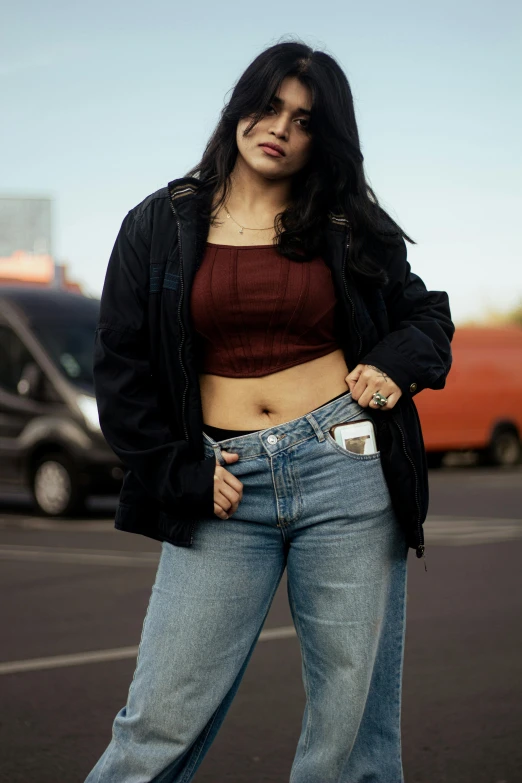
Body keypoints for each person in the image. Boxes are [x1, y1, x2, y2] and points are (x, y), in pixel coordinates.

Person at [85, 40, 454, 783]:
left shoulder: (348, 226)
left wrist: (392, 365)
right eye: (270, 104)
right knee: (156, 722)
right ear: (240, 106)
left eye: (306, 119)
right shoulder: (158, 224)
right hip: (223, 482)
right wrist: (177, 468)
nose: (280, 126)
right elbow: (122, 370)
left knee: (350, 736)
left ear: (326, 140)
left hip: (346, 467)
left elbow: (427, 319)